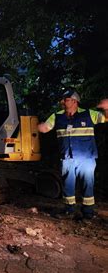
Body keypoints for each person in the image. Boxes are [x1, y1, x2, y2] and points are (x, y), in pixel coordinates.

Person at [38, 91, 108, 219]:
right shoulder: (57, 116)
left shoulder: (88, 114)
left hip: (87, 158)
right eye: (63, 100)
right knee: (68, 185)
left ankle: (88, 212)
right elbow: (45, 128)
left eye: (66, 100)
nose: (63, 102)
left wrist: (106, 108)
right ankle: (69, 211)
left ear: (75, 101)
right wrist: (40, 127)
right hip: (67, 157)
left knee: (88, 184)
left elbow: (106, 118)